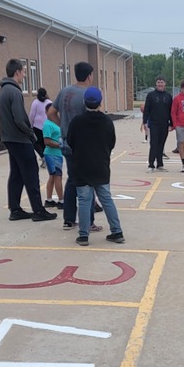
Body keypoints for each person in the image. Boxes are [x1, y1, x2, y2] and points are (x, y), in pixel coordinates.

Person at [0, 59, 56, 222]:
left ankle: (15, 209)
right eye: (23, 72)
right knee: (30, 172)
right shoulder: (14, 92)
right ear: (17, 72)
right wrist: (31, 134)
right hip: (19, 139)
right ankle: (38, 210)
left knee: (16, 174)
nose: (24, 75)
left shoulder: (2, 91)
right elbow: (19, 119)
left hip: (9, 138)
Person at [66, 86, 125, 246]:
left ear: (84, 102)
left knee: (84, 201)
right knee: (106, 198)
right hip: (101, 165)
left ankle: (84, 235)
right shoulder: (106, 121)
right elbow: (111, 142)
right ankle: (117, 231)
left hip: (82, 166)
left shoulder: (77, 121)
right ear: (100, 102)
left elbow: (70, 141)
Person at [50, 61, 99, 231]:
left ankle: (69, 219)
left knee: (72, 179)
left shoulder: (64, 91)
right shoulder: (88, 94)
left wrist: (64, 127)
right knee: (88, 181)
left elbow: (51, 112)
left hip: (65, 142)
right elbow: (92, 119)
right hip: (83, 144)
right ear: (89, 76)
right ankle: (89, 221)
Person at [142, 76, 173, 171]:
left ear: (165, 84)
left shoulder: (168, 96)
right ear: (156, 84)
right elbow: (146, 109)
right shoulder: (151, 95)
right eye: (158, 82)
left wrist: (172, 123)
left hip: (164, 124)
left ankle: (160, 164)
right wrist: (145, 122)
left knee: (161, 144)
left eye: (162, 82)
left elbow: (171, 111)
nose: (160, 84)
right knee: (154, 144)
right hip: (153, 123)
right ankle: (151, 165)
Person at [42, 101, 64, 207]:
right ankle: (61, 200)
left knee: (52, 176)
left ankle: (49, 199)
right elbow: (47, 141)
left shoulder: (55, 123)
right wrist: (60, 145)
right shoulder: (47, 125)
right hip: (52, 154)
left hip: (57, 154)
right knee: (57, 177)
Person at [29, 87, 49, 162]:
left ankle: (43, 157)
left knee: (36, 143)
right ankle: (47, 158)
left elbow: (31, 115)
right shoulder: (49, 102)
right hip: (47, 126)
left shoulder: (35, 103)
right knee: (45, 143)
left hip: (37, 126)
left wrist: (30, 125)